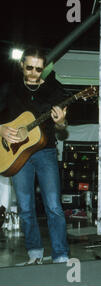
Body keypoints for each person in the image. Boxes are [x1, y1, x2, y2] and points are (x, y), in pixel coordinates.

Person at [0, 48, 70, 264]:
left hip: (46, 152)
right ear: (21, 64)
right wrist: (1, 129)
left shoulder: (54, 90)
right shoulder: (9, 89)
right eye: (29, 67)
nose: (33, 73)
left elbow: (62, 128)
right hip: (16, 155)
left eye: (38, 69)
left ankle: (60, 254)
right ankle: (35, 253)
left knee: (54, 206)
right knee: (25, 207)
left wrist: (61, 123)